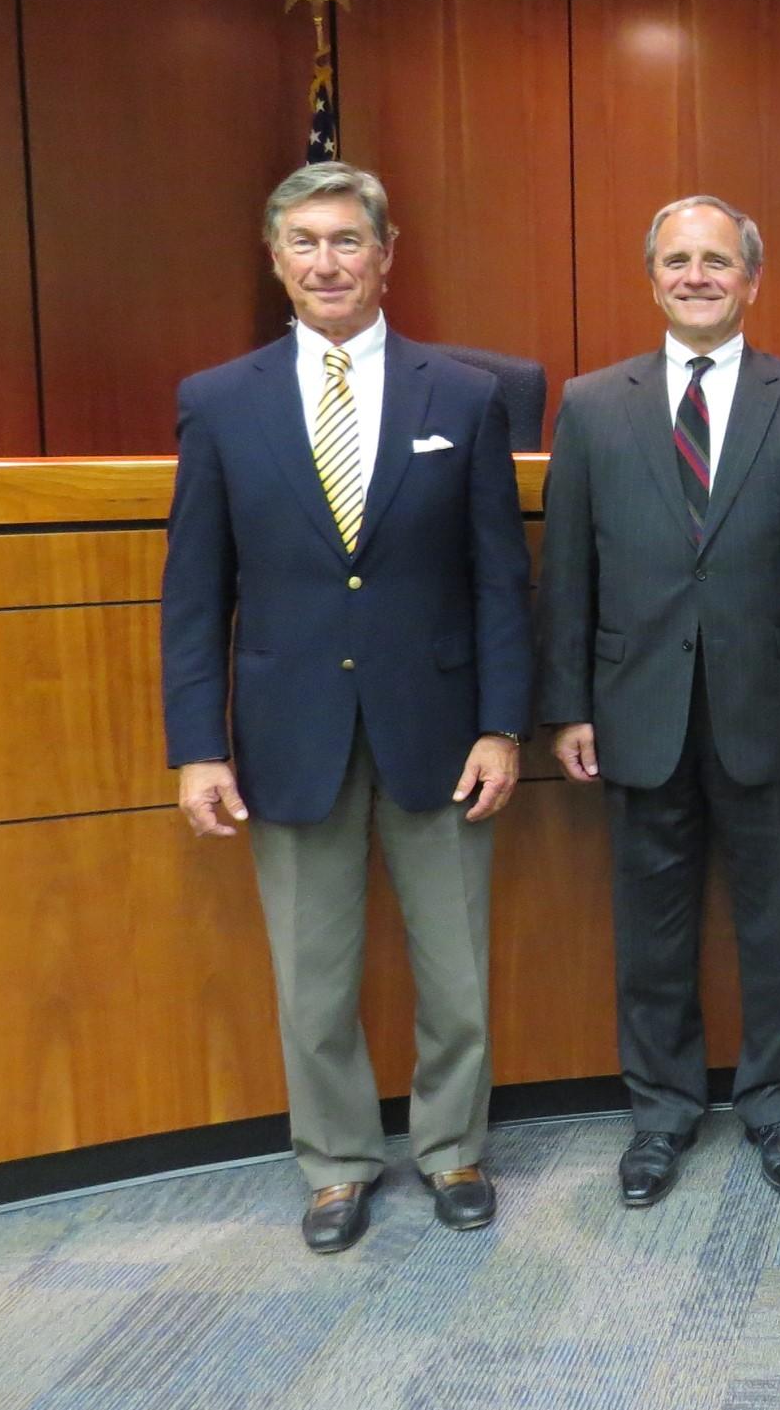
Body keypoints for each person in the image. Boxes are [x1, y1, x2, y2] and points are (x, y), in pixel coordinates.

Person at [161, 161, 532, 1254]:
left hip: (440, 727)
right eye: (305, 242)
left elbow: (500, 579)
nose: (327, 262)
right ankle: (335, 1166)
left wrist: (502, 725)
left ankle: (454, 1147)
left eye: (346, 241)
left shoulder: (463, 395)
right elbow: (196, 593)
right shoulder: (219, 401)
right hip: (288, 733)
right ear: (277, 260)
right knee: (312, 977)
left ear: (385, 254)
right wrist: (197, 745)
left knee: (455, 969)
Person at [538, 196, 780, 1205]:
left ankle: (775, 1107)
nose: (697, 276)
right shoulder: (592, 404)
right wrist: (568, 704)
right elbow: (568, 566)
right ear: (652, 278)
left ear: (751, 279)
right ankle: (661, 1113)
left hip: (773, 704)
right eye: (677, 260)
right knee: (651, 928)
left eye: (717, 260)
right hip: (635, 705)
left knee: (778, 924)